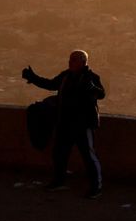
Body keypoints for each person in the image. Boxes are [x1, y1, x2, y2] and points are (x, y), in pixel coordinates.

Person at [23, 49, 106, 197]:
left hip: (83, 124)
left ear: (82, 62)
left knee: (89, 156)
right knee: (59, 153)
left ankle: (96, 187)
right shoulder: (66, 76)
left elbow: (101, 94)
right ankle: (59, 181)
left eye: (73, 60)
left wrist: (93, 89)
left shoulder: (91, 77)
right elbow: (50, 84)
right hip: (65, 123)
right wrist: (33, 77)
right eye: (70, 59)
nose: (70, 62)